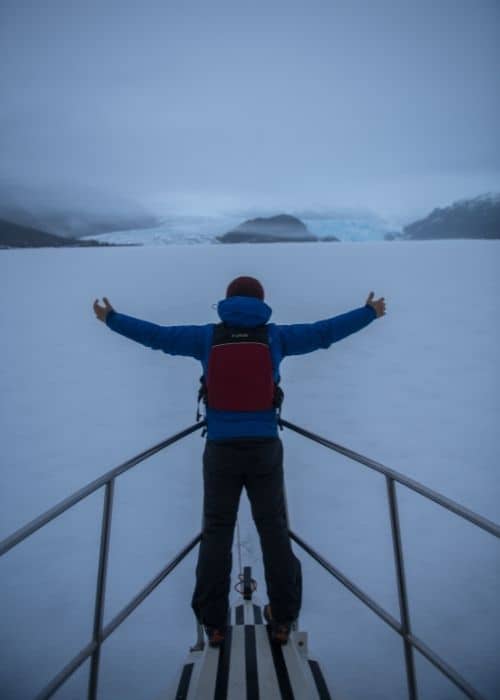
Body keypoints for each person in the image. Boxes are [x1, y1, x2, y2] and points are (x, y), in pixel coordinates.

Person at [93, 276, 385, 647]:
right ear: (261, 302)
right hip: (264, 447)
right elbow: (323, 332)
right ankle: (282, 618)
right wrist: (368, 313)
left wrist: (111, 319)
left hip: (220, 450)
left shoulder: (207, 337)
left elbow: (158, 337)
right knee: (273, 529)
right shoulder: (275, 337)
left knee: (217, 531)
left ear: (227, 302)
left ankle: (213, 624)